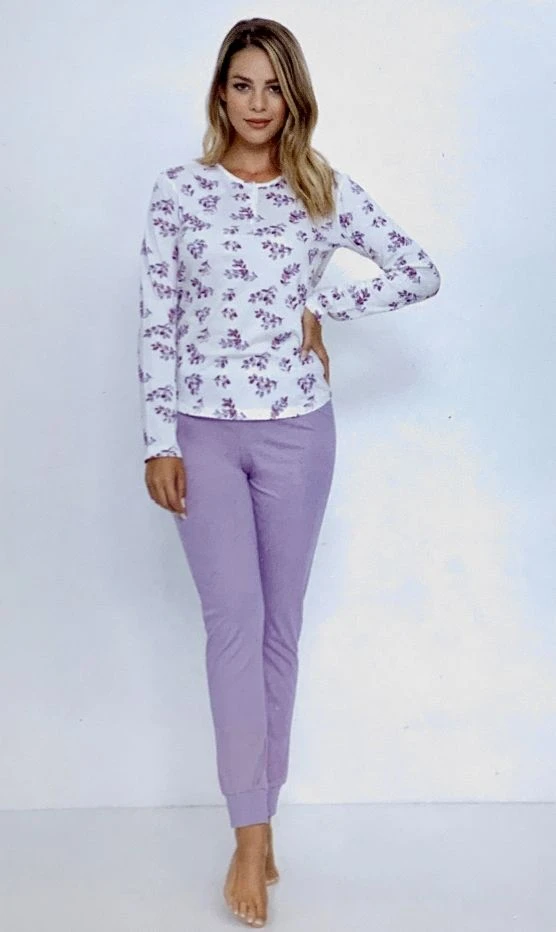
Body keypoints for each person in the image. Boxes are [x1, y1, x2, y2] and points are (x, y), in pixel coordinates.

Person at [137, 17, 441, 928]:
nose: (258, 103)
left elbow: (418, 270)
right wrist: (157, 439)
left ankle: (260, 821)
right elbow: (157, 316)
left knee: (279, 630)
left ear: (294, 95)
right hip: (202, 434)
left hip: (298, 434)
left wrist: (323, 303)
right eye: (242, 84)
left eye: (273, 86)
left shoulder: (320, 189)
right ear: (219, 93)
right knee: (232, 627)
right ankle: (250, 832)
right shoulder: (179, 192)